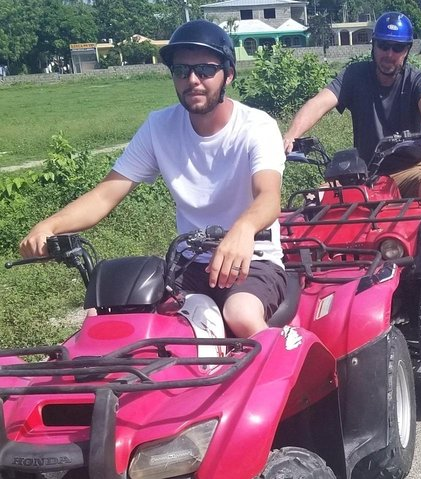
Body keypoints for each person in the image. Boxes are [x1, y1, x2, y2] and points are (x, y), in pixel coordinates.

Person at [19, 20, 287, 339]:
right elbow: (106, 194)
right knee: (107, 315)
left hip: (251, 260)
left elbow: (268, 196)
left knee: (240, 315)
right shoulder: (160, 127)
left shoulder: (256, 126)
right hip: (188, 265)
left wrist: (243, 229)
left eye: (204, 70)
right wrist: (49, 226)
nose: (192, 80)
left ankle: (283, 368)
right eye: (181, 71)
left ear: (228, 74)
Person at [283, 12, 421, 197]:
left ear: (407, 50)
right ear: (374, 45)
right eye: (383, 45)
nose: (389, 54)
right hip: (362, 171)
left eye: (397, 47)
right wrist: (291, 136)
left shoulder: (417, 79)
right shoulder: (354, 75)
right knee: (315, 199)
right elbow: (319, 103)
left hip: (408, 168)